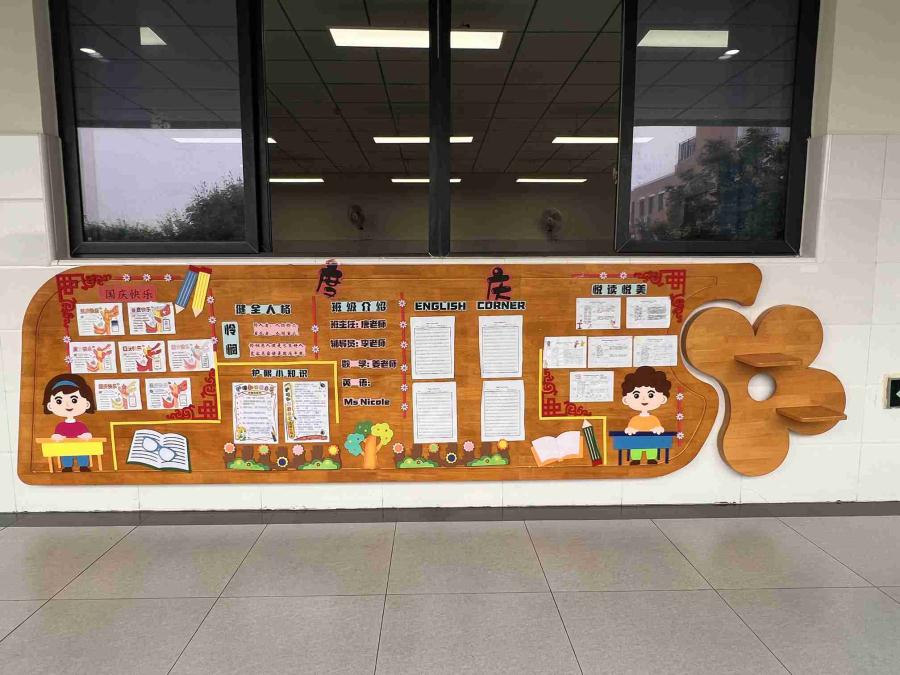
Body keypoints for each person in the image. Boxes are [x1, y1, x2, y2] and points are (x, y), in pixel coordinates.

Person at [43, 373, 96, 472]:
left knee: (83, 452)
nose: (68, 405)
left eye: (74, 400)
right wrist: (57, 437)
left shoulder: (81, 425)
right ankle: (67, 466)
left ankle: (83, 466)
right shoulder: (60, 426)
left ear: (87, 404)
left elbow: (86, 434)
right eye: (59, 401)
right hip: (66, 446)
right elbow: (57, 435)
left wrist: (85, 436)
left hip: (80, 446)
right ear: (50, 406)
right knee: (66, 453)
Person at [621, 366, 671, 465]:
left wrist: (657, 429)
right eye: (636, 395)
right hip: (637, 441)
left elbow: (658, 427)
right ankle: (636, 459)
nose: (644, 399)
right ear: (626, 400)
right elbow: (630, 428)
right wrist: (630, 430)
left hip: (650, 441)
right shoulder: (634, 419)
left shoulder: (653, 418)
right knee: (635, 447)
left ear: (663, 398)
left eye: (651, 395)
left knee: (652, 446)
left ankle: (651, 458)